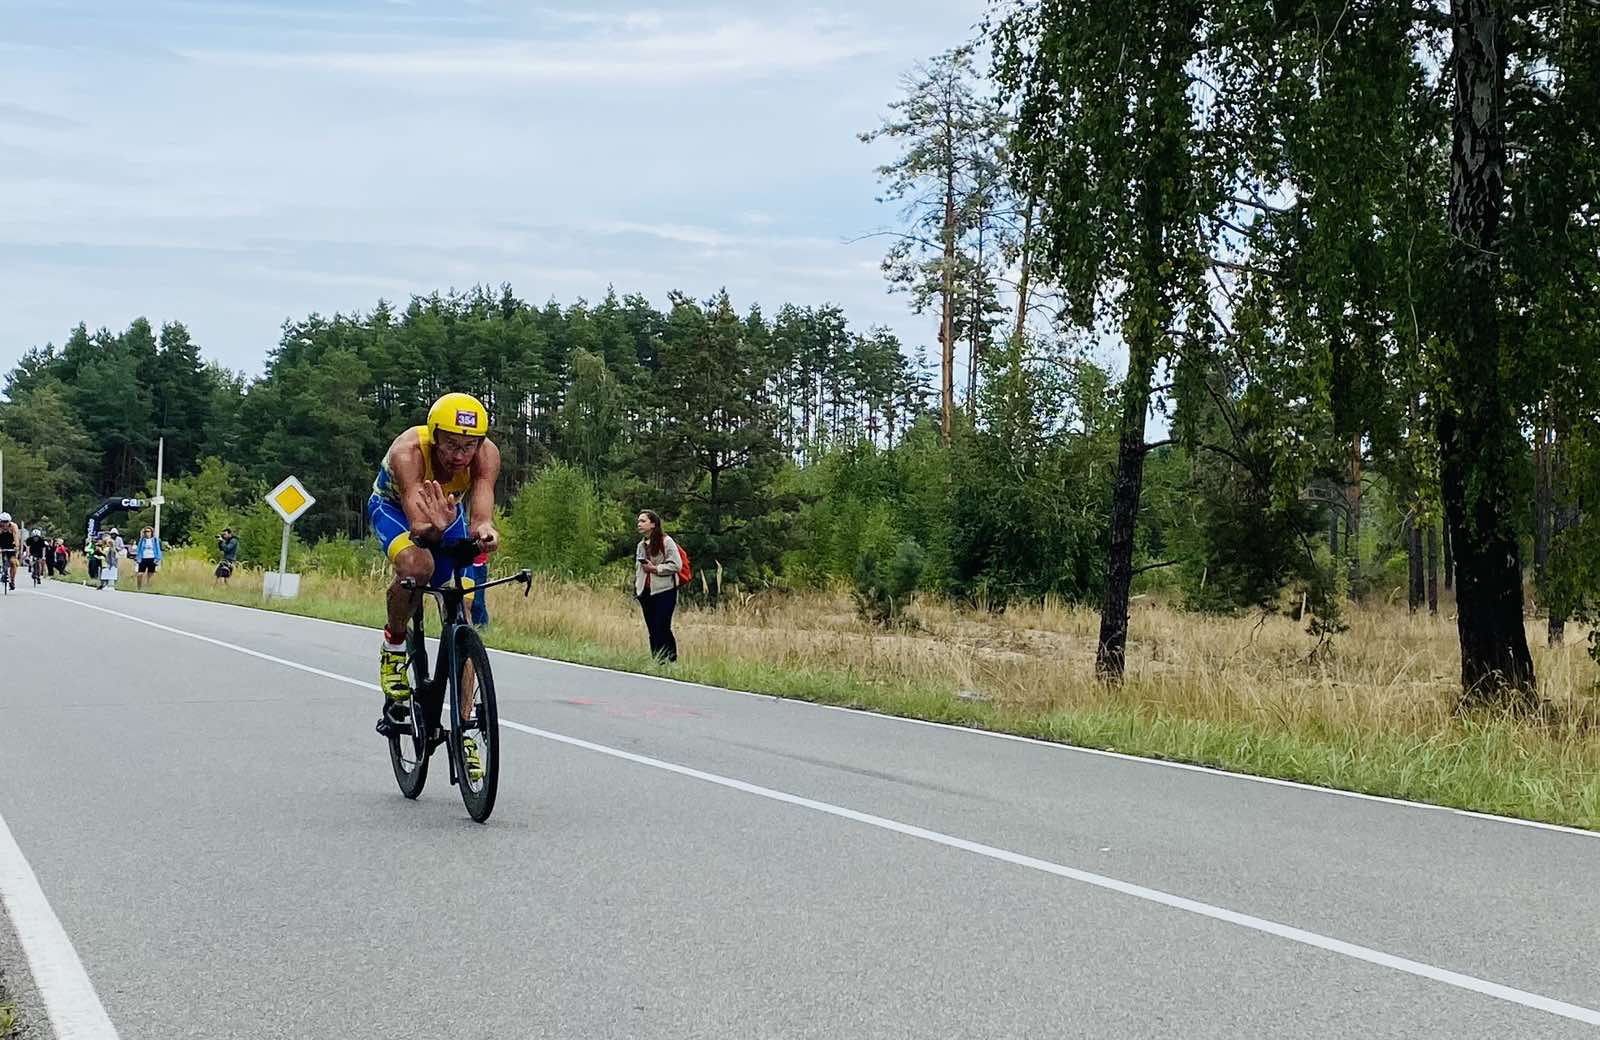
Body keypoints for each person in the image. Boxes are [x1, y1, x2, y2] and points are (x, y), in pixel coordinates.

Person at [367, 392, 501, 758]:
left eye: (468, 446)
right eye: (452, 445)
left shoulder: (486, 455)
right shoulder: (408, 452)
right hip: (396, 510)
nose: (460, 456)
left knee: (464, 607)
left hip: (447, 513)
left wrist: (485, 533)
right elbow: (420, 527)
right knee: (418, 566)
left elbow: (481, 512)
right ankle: (394, 645)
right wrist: (434, 531)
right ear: (434, 436)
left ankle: (465, 729)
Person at [634, 509, 682, 662]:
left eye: (643, 521)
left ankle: (671, 661)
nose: (639, 524)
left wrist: (656, 569)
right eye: (639, 521)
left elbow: (677, 565)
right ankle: (657, 661)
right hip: (646, 592)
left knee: (663, 626)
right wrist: (638, 588)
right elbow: (638, 569)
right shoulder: (641, 545)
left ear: (653, 524)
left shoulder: (666, 541)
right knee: (652, 629)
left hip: (664, 591)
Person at [0, 513, 18, 589]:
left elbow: (16, 538)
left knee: (13, 563)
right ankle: (2, 570)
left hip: (11, 545)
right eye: (3, 522)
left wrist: (16, 547)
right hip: (1, 544)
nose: (5, 524)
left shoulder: (13, 526)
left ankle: (12, 580)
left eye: (6, 522)